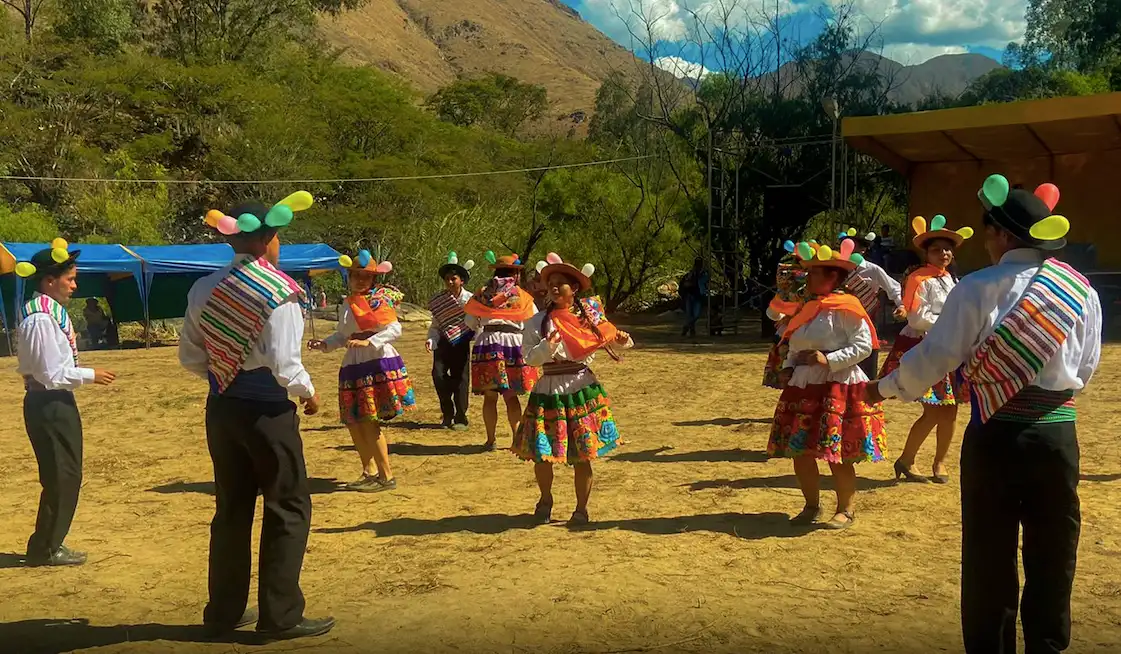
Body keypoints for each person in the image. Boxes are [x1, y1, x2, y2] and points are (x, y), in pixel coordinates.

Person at [868, 176, 1100, 654]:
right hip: (1057, 435)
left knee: (988, 558)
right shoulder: (1081, 291)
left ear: (998, 233)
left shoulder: (976, 288)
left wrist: (886, 386)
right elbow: (1086, 366)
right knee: (1054, 554)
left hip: (993, 434)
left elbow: (937, 357)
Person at [179, 194, 334, 641]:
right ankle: (280, 615)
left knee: (231, 507)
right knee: (287, 505)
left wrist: (224, 373)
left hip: (222, 408)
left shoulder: (203, 288)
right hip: (268, 410)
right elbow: (286, 366)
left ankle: (224, 610)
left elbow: (191, 357)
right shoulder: (281, 292)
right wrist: (308, 392)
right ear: (269, 238)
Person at [767, 241, 887, 530]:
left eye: (815, 274)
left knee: (837, 454)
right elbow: (795, 345)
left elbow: (863, 346)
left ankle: (846, 509)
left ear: (833, 277)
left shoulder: (847, 308)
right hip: (804, 386)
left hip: (837, 385)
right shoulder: (807, 308)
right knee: (801, 451)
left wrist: (828, 359)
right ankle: (811, 506)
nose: (808, 279)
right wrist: (789, 367)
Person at [15, 239, 116, 566]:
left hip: (52, 401)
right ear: (48, 281)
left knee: (64, 474)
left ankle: (47, 544)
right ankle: (46, 547)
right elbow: (49, 373)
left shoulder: (44, 314)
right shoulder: (42, 319)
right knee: (62, 475)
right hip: (49, 402)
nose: (74, 285)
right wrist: (90, 374)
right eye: (69, 278)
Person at [513, 254, 632, 525]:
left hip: (580, 388)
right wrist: (547, 348)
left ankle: (581, 510)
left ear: (574, 289)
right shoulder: (537, 322)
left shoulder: (588, 320)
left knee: (582, 454)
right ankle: (545, 499)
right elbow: (529, 358)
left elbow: (608, 338)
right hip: (549, 390)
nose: (554, 288)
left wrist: (624, 341)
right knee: (543, 454)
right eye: (551, 283)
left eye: (561, 284)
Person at [309, 250, 414, 492]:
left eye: (365, 277)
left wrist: (371, 341)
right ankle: (369, 471)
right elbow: (343, 335)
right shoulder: (347, 304)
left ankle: (386, 476)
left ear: (373, 279)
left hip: (375, 362)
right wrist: (325, 344)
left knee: (369, 421)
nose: (360, 280)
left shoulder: (378, 300)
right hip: (353, 364)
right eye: (356, 275)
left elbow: (394, 329)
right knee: (354, 421)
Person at [878, 215, 970, 484]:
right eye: (936, 249)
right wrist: (949, 322)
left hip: (950, 346)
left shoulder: (951, 279)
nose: (944, 253)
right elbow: (916, 318)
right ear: (926, 253)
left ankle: (937, 462)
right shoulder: (919, 279)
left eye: (947, 249)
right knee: (933, 410)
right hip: (926, 345)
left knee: (950, 409)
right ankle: (907, 459)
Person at [464, 252, 539, 451]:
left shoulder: (481, 295)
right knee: (511, 395)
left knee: (490, 396)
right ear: (515, 274)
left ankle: (490, 440)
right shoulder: (523, 297)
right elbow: (533, 322)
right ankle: (516, 438)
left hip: (487, 343)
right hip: (513, 344)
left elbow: (470, 322)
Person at [842, 229, 906, 379]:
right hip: (843, 318)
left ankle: (867, 389)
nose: (846, 248)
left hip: (868, 317)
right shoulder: (838, 269)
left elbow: (894, 288)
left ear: (862, 250)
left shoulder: (873, 270)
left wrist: (901, 305)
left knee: (868, 352)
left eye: (852, 245)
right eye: (844, 245)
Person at [425, 252, 475, 431]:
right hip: (443, 343)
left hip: (462, 343)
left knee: (461, 379)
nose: (449, 282)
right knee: (438, 375)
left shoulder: (471, 300)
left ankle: (460, 417)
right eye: (447, 279)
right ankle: (447, 412)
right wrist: (431, 339)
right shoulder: (440, 301)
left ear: (462, 280)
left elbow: (476, 323)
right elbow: (436, 325)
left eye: (453, 278)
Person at [763, 252, 806, 389]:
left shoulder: (808, 284)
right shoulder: (790, 282)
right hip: (788, 335)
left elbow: (772, 313)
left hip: (799, 335)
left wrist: (788, 317)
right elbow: (773, 313)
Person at [679, 257, 708, 337]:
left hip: (698, 296)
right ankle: (692, 330)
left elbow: (704, 282)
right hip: (690, 295)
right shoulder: (690, 274)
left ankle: (686, 327)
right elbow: (685, 283)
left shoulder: (704, 274)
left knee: (696, 315)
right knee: (690, 314)